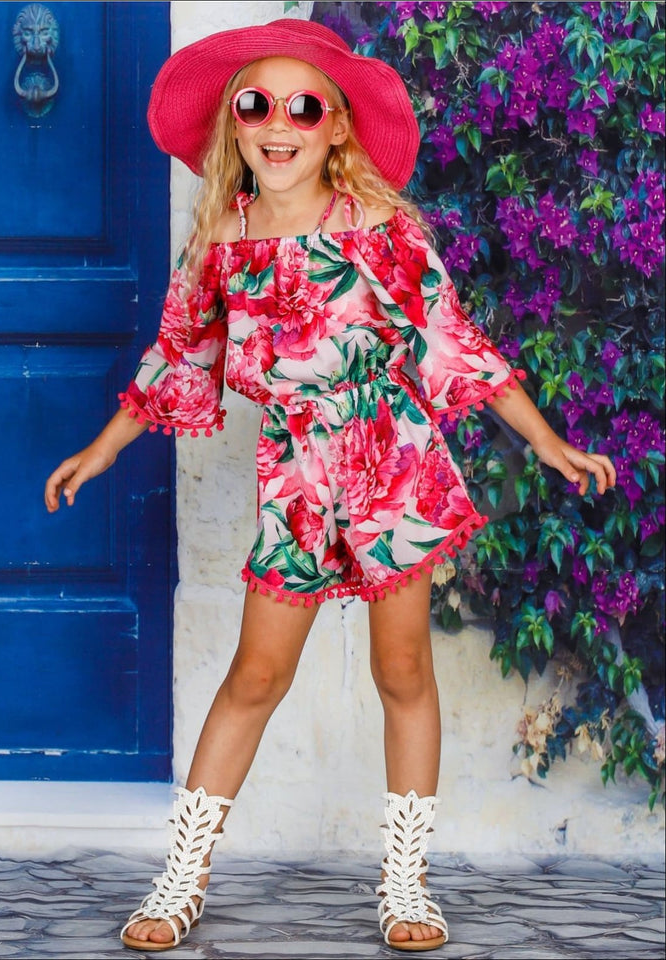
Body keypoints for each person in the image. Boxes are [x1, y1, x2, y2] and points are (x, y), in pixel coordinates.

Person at [44, 19, 617, 954]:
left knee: (403, 671)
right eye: (255, 104)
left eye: (303, 107)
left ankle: (407, 885)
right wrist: (105, 447)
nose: (278, 124)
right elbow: (182, 355)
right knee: (255, 675)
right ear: (234, 123)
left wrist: (547, 442)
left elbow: (450, 339)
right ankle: (181, 879)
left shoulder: (380, 230)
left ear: (337, 127)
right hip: (297, 477)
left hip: (391, 458)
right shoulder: (220, 239)